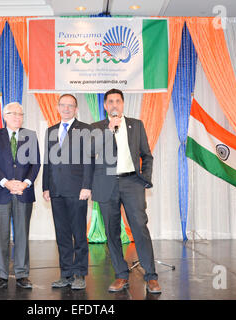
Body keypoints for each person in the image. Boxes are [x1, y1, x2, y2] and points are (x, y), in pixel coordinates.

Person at [90, 88, 161, 294]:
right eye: (110, 101)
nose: (114, 105)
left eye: (117, 101)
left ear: (123, 104)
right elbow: (91, 152)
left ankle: (151, 276)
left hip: (132, 183)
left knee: (140, 228)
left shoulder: (136, 125)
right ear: (105, 106)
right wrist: (108, 130)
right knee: (112, 232)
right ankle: (121, 275)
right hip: (106, 184)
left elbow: (147, 155)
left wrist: (144, 179)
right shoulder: (96, 127)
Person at [0, 102, 40, 290]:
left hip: (23, 192)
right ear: (4, 116)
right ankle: (0, 275)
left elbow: (36, 164)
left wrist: (25, 184)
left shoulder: (30, 136)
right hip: (1, 192)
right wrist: (6, 183)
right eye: (13, 113)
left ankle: (22, 274)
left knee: (22, 234)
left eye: (21, 114)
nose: (18, 117)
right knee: (1, 235)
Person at [42, 94, 92, 290]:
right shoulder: (51, 131)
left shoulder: (85, 129)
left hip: (77, 190)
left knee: (78, 233)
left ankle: (80, 274)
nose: (66, 108)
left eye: (70, 106)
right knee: (62, 234)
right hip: (56, 190)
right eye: (63, 105)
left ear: (76, 109)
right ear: (57, 107)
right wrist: (45, 186)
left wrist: (86, 186)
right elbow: (47, 161)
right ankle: (66, 274)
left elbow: (89, 160)